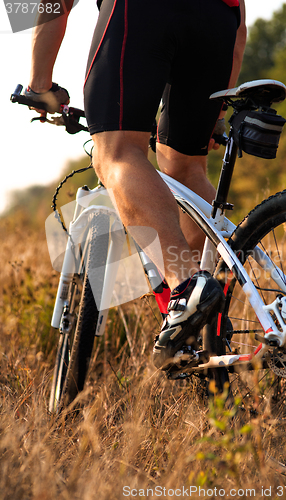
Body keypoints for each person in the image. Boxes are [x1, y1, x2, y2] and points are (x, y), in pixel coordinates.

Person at [25, 0, 247, 369]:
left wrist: (39, 84)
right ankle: (212, 316)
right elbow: (239, 26)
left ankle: (186, 286)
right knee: (185, 168)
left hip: (140, 11)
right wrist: (217, 112)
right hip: (218, 21)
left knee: (116, 152)